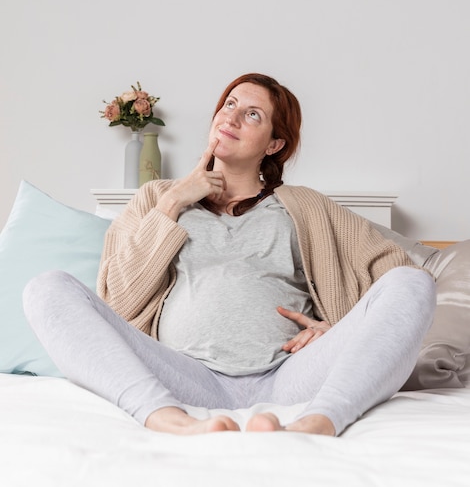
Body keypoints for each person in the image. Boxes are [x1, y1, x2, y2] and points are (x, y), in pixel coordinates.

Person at [23, 73, 436, 436]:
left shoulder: (305, 206)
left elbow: (396, 275)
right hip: (185, 376)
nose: (231, 117)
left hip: (289, 377)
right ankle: (165, 417)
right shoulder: (156, 198)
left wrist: (335, 326)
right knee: (45, 289)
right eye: (229, 104)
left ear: (275, 143)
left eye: (253, 114)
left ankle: (323, 420)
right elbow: (119, 301)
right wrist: (173, 204)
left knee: (413, 283)